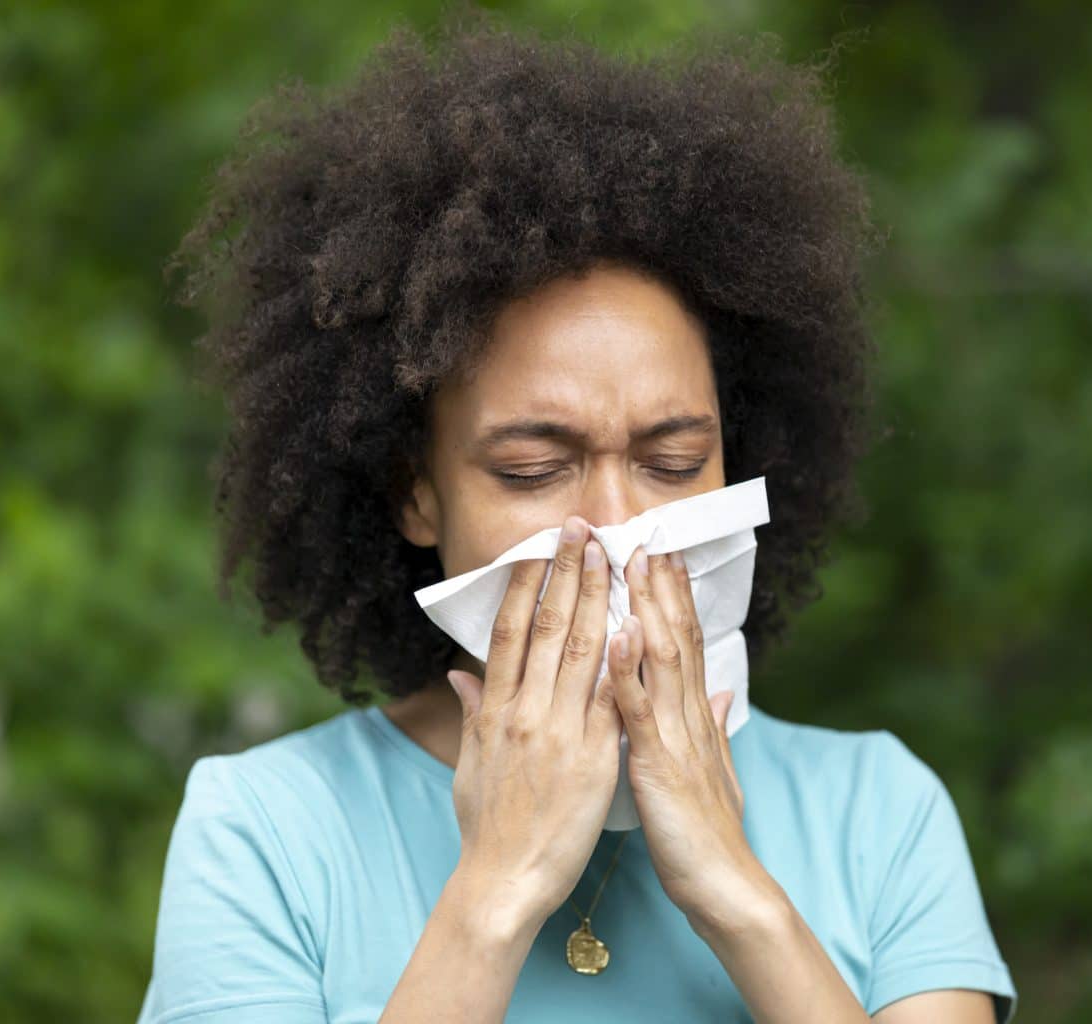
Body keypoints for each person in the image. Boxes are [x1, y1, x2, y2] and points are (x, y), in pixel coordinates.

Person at [137, 11, 1018, 1023]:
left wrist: (737, 893)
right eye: (533, 468)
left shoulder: (879, 813)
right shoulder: (265, 831)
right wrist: (493, 894)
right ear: (414, 490)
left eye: (673, 460)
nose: (613, 523)